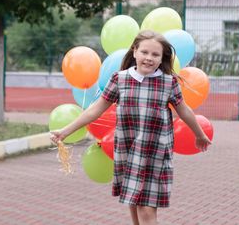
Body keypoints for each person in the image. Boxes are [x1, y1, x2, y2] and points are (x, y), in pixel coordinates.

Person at [51, 30, 212, 225]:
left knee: (146, 211)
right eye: (144, 52)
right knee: (134, 204)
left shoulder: (168, 83)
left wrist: (199, 134)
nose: (149, 58)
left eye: (155, 54)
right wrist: (65, 131)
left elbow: (184, 110)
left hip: (156, 154)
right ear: (135, 51)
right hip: (128, 151)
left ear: (162, 58)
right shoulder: (120, 79)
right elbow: (95, 110)